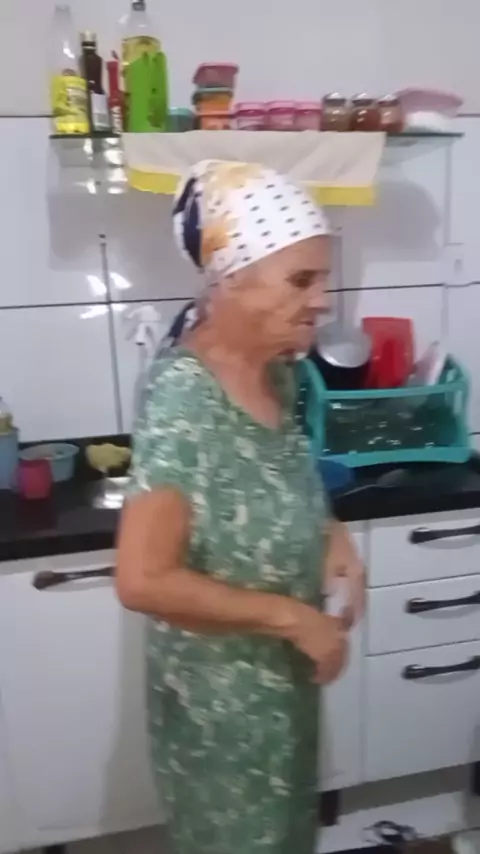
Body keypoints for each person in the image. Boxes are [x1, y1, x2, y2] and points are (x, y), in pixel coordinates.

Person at [116, 160, 365, 854]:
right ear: (231, 279)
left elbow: (282, 473)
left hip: (283, 693)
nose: (321, 301)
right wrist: (293, 617)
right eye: (301, 280)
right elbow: (142, 579)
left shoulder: (278, 369)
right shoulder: (184, 398)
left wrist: (330, 532)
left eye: (323, 278)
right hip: (219, 719)